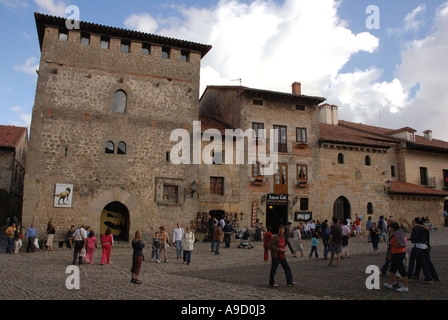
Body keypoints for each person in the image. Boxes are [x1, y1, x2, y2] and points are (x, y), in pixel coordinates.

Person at [384, 222, 409, 293]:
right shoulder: (399, 232)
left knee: (402, 269)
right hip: (397, 253)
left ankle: (405, 286)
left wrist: (390, 243)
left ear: (393, 227)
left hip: (398, 253)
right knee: (392, 268)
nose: (389, 228)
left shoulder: (396, 234)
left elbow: (398, 244)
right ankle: (390, 283)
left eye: (390, 227)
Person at [407, 218, 433, 284]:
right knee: (423, 261)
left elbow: (416, 237)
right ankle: (428, 277)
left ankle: (409, 276)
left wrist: (409, 238)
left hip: (417, 246)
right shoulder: (421, 228)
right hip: (422, 246)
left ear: (415, 221)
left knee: (412, 261)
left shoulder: (416, 228)